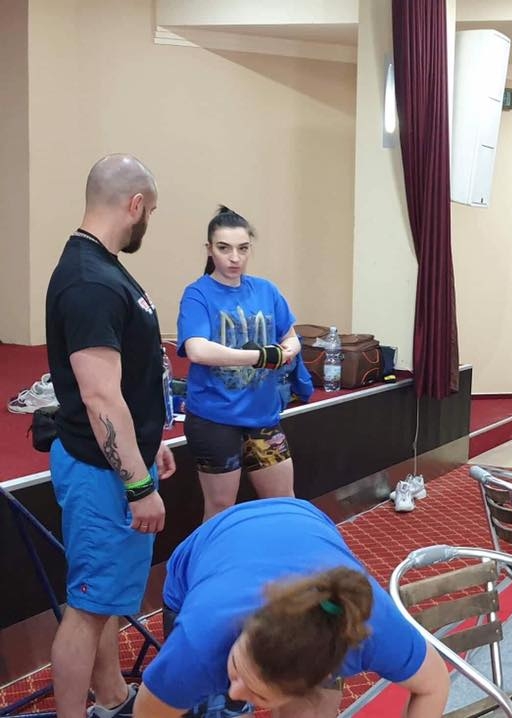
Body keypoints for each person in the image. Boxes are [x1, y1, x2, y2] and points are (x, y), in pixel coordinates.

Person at [45, 154, 176, 718]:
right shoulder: (90, 280)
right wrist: (138, 484)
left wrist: (147, 443)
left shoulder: (100, 266)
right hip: (102, 475)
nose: (149, 222)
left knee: (99, 603)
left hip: (111, 462)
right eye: (152, 211)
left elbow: (124, 384)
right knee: (86, 610)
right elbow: (100, 397)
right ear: (135, 204)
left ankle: (112, 698)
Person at [133, 498, 449, 718]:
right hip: (213, 543)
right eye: (237, 665)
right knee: (216, 709)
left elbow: (433, 686)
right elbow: (151, 713)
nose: (236, 692)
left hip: (302, 521)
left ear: (324, 677)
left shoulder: (374, 630)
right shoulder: (198, 643)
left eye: (259, 694)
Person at [177, 206, 301, 520]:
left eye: (243, 249)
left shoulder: (266, 290)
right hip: (214, 418)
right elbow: (197, 350)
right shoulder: (198, 294)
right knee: (220, 509)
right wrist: (261, 356)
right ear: (209, 250)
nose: (235, 258)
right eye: (224, 248)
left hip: (262, 415)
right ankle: (215, 555)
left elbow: (292, 338)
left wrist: (286, 351)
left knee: (284, 503)